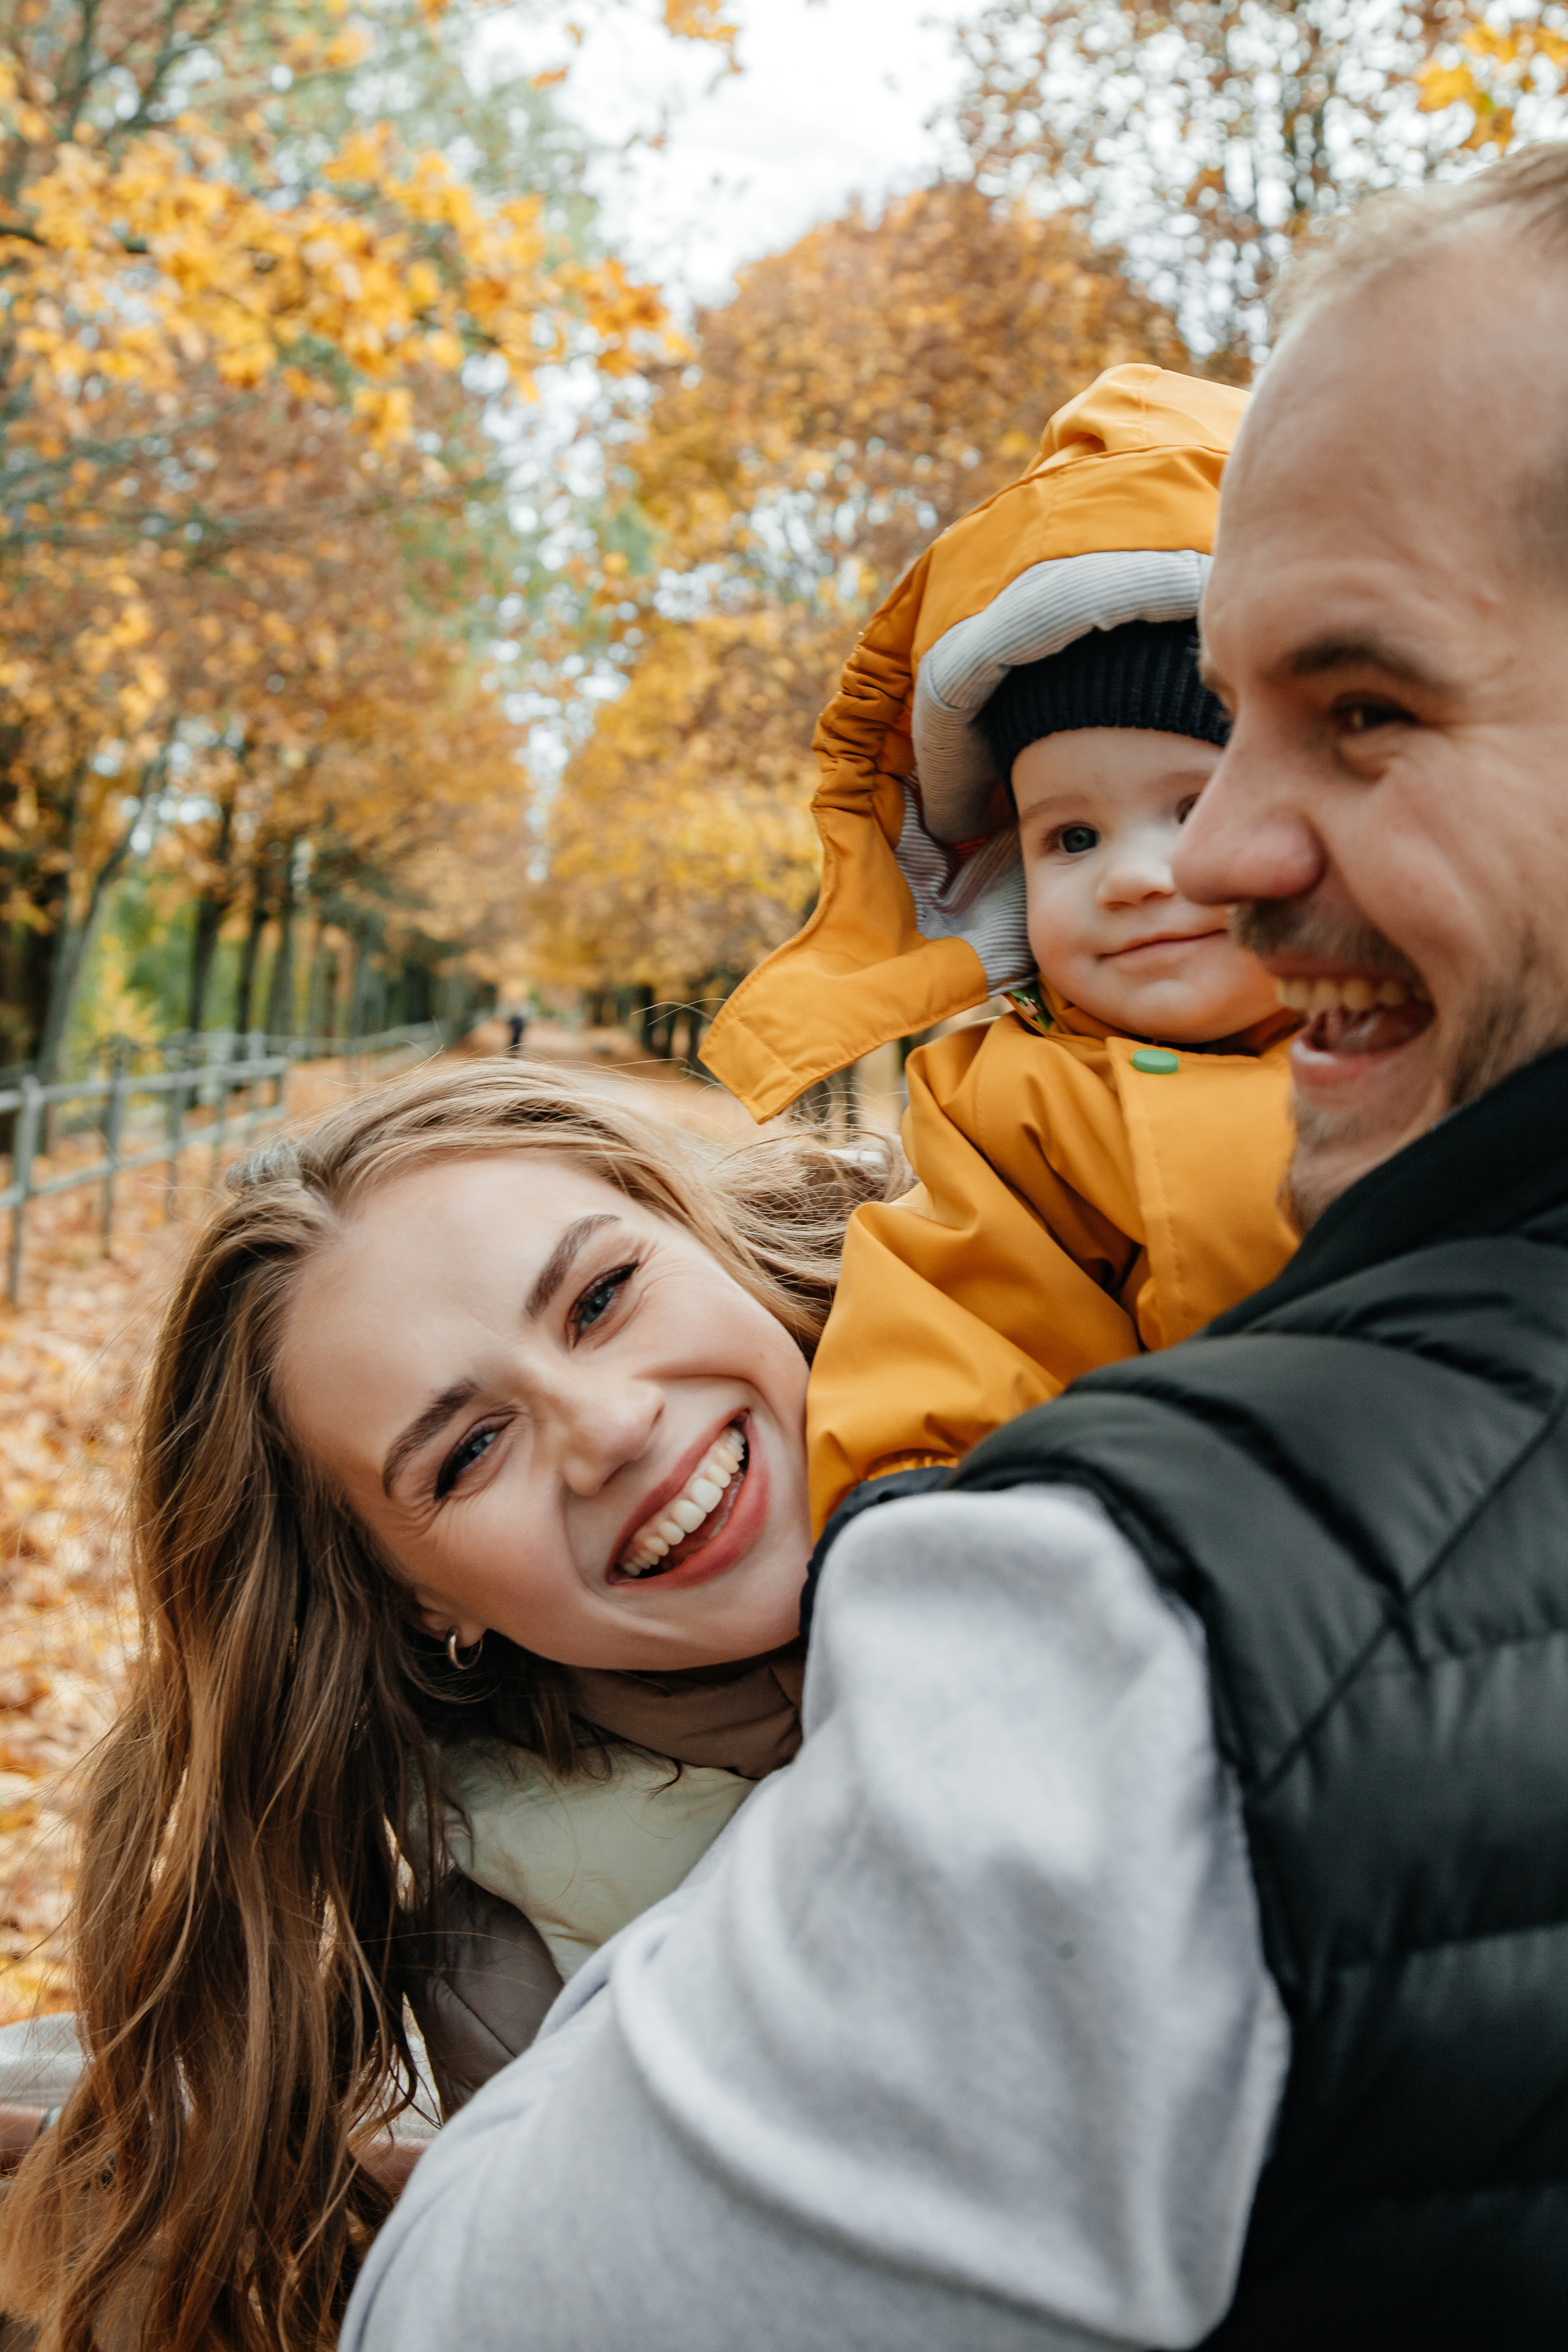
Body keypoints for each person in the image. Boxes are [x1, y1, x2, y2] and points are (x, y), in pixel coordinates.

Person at [342, 144, 1568, 2351]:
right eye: (1079, 830)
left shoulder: (1133, 1644)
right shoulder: (1032, 1470)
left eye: (1365, 705)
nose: (1230, 857)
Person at [0, 1060, 897, 2352]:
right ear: (422, 1602)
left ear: (707, 1241)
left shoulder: (1131, 1323)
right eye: (468, 1451)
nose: (610, 1428)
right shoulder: (515, 1973)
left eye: (600, 1298)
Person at [702, 363, 1298, 1534]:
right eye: (1071, 836)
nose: (1132, 876)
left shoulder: (1473, 1019)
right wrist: (920, 1515)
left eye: (1193, 807)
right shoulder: (1015, 1105)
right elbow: (954, 1324)